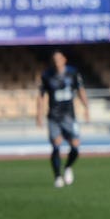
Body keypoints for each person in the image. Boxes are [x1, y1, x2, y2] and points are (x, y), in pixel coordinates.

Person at [36, 50, 90, 188]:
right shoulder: (46, 75)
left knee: (76, 146)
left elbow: (80, 90)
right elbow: (41, 96)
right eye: (54, 59)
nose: (57, 61)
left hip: (69, 116)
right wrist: (39, 114)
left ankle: (68, 167)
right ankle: (57, 177)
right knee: (56, 145)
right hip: (54, 117)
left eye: (59, 59)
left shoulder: (72, 73)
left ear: (64, 59)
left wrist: (86, 108)